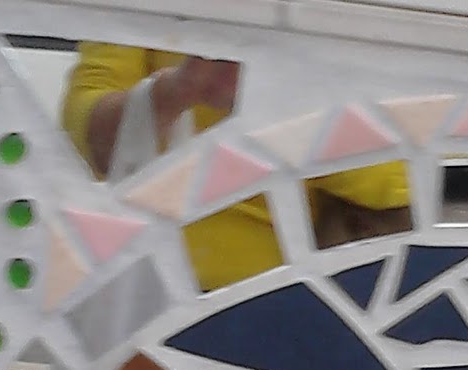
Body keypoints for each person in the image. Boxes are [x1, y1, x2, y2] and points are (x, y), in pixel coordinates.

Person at [62, 42, 410, 290]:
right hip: (145, 277)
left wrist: (276, 108)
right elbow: (89, 138)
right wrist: (170, 96)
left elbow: (396, 182)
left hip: (287, 294)